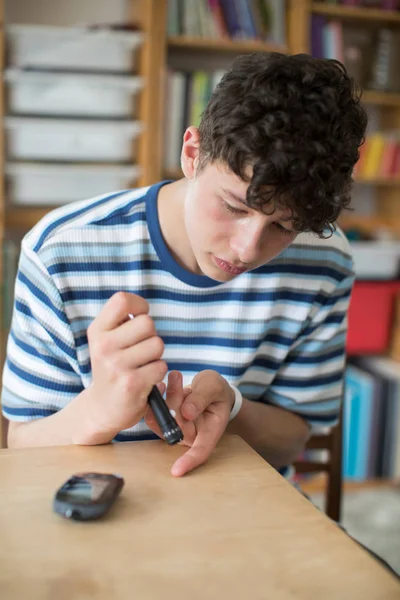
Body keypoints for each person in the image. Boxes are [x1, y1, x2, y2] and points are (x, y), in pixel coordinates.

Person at [1, 52, 367, 480]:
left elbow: (295, 440)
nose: (247, 249)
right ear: (192, 153)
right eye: (233, 206)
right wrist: (100, 410)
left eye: (284, 227)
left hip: (249, 515)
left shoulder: (325, 261)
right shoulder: (60, 250)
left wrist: (234, 407)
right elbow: (20, 445)